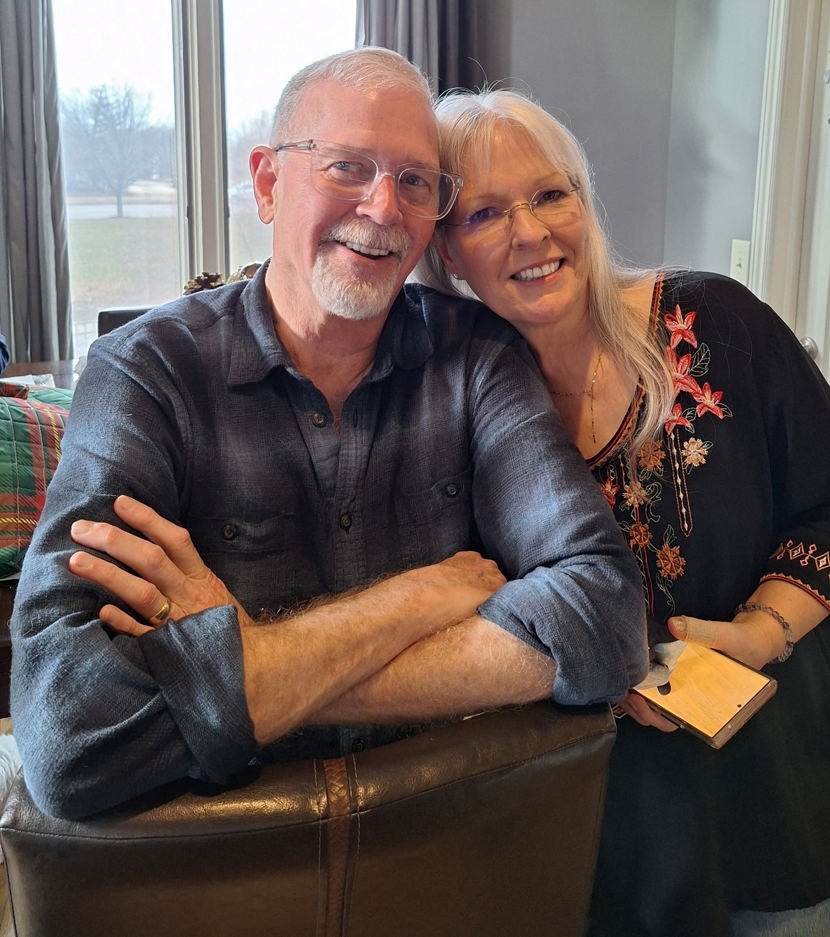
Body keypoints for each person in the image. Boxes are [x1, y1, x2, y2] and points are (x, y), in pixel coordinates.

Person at [10, 50, 647, 821]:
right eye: (347, 167)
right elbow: (68, 733)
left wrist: (254, 663)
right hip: (236, 868)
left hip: (458, 848)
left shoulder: (476, 357)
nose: (383, 209)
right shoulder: (147, 372)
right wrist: (415, 599)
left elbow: (607, 621)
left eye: (415, 181)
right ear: (268, 183)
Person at [414, 88, 830, 937]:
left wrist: (760, 631)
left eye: (551, 194)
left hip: (775, 792)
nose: (532, 232)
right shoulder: (452, 408)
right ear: (447, 251)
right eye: (487, 213)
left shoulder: (716, 322)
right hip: (602, 835)